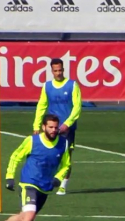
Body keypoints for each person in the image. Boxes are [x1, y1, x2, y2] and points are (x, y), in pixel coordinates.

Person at [0, 114, 71, 221]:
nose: (54, 130)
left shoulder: (63, 143)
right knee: (29, 217)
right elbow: (16, 156)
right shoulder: (32, 141)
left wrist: (58, 178)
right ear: (43, 127)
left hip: (45, 187)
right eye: (50, 127)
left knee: (23, 217)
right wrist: (9, 176)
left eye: (56, 127)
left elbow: (66, 165)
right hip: (29, 183)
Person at [32, 58, 82, 195]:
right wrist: (37, 125)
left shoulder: (72, 85)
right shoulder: (47, 86)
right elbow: (41, 106)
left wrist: (68, 123)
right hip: (50, 127)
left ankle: (63, 185)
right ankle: (43, 181)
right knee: (45, 154)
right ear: (52, 71)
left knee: (66, 157)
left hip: (67, 129)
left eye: (60, 70)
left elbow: (77, 107)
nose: (58, 73)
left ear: (63, 70)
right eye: (55, 71)